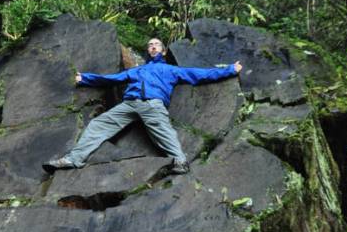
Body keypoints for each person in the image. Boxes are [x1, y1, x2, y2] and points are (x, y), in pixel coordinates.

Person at [44, 38, 242, 175]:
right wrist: (85, 78)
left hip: (152, 104)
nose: (153, 47)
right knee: (99, 123)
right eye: (150, 45)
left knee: (163, 130)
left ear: (163, 51)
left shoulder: (170, 70)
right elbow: (112, 79)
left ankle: (180, 160)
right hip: (129, 104)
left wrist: (230, 70)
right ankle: (74, 159)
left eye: (156, 44)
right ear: (148, 51)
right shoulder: (137, 70)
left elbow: (200, 75)